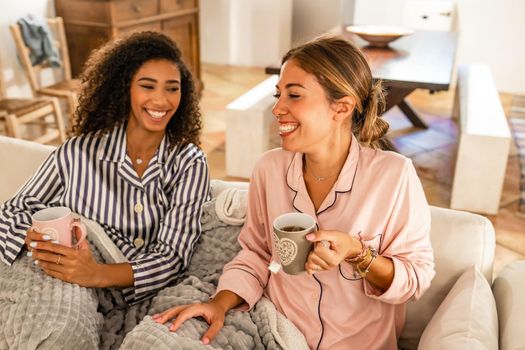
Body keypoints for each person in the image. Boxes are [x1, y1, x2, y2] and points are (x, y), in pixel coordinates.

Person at [152, 35, 435, 350]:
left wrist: (357, 253)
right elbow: (257, 254)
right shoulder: (269, 169)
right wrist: (219, 302)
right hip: (276, 335)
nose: (278, 109)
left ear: (341, 108)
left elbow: (416, 277)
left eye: (294, 95)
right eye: (278, 94)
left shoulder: (393, 176)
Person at [0, 31, 209, 346]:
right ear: (124, 89)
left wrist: (95, 273)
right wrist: (31, 236)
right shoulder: (78, 152)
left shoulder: (189, 163)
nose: (161, 100)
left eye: (172, 89)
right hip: (53, 270)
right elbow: (11, 211)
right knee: (54, 327)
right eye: (147, 86)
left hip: (110, 283)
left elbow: (172, 257)